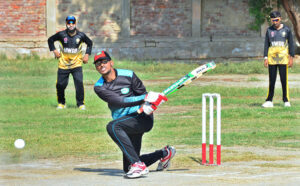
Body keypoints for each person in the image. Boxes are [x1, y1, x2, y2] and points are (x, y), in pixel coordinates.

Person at [93, 51, 176, 179]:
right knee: (127, 168)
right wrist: (146, 97)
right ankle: (165, 153)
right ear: (96, 68)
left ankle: (138, 165)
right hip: (125, 123)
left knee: (113, 127)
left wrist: (150, 104)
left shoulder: (129, 75)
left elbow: (143, 94)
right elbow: (120, 101)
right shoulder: (99, 87)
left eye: (104, 61)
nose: (101, 65)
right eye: (98, 64)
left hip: (142, 118)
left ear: (111, 63)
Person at [48, 16, 93, 110]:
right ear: (66, 24)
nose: (71, 25)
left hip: (76, 64)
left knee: (79, 83)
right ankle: (61, 103)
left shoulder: (81, 35)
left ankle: (80, 104)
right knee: (60, 85)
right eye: (69, 23)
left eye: (73, 23)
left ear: (75, 24)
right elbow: (50, 40)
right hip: (63, 64)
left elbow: (90, 43)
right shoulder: (61, 34)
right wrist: (54, 50)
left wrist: (87, 55)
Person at [262, 11, 294, 108]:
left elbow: (291, 44)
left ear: (280, 18)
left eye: (276, 20)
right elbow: (266, 45)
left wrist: (291, 57)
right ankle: (269, 100)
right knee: (272, 80)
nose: (275, 22)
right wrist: (265, 57)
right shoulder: (269, 30)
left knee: (284, 80)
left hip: (283, 59)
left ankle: (286, 100)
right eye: (273, 20)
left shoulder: (287, 30)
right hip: (272, 58)